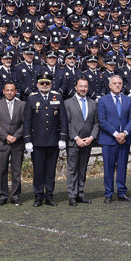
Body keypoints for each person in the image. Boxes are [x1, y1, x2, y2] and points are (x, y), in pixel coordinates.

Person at [25, 74, 65, 206]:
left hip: (53, 141)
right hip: (37, 142)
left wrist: (62, 137)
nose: (44, 86)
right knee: (38, 171)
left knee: (50, 171)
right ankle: (38, 196)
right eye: (42, 83)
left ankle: (49, 195)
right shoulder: (31, 99)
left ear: (51, 85)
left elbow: (63, 120)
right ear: (37, 85)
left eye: (47, 83)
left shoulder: (57, 98)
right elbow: (27, 122)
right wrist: (27, 140)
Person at [0, 81, 27, 205]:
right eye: (7, 90)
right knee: (2, 171)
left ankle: (16, 196)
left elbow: (25, 123)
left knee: (16, 171)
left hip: (17, 143)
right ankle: (2, 196)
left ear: (15, 91)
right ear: (3, 91)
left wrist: (15, 136)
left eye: (12, 90)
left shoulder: (22, 104)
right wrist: (6, 136)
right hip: (2, 143)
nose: (10, 92)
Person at [63, 78, 98, 206]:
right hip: (74, 142)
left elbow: (96, 123)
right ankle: (72, 195)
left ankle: (80, 194)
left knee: (82, 169)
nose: (83, 89)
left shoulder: (93, 103)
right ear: (76, 87)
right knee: (72, 169)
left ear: (88, 88)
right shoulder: (67, 103)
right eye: (81, 86)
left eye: (85, 86)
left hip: (87, 142)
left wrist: (91, 137)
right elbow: (67, 123)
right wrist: (76, 138)